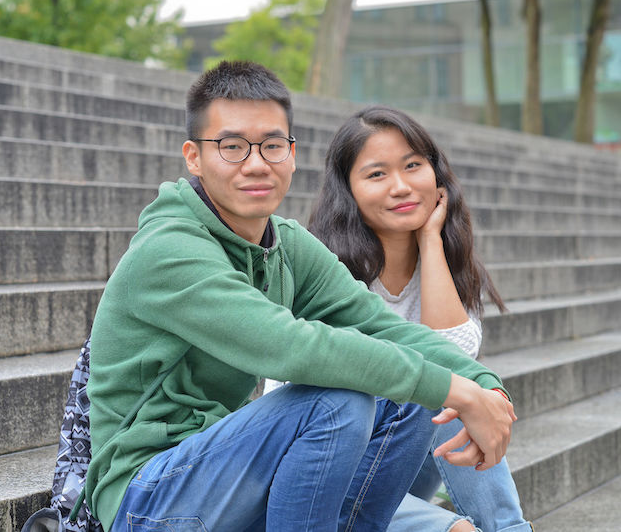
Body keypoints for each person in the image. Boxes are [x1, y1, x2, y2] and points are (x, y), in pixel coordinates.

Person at [84, 60, 515, 532]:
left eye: (272, 146)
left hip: (229, 470)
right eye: (231, 147)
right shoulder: (170, 249)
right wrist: (457, 392)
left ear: (291, 152)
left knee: (409, 395)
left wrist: (486, 387)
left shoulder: (285, 243)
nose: (256, 164)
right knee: (338, 400)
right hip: (148, 497)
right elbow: (287, 346)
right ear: (194, 156)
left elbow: (382, 325)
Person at [308, 105, 533, 532]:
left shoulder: (447, 264)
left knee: (454, 394)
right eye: (377, 174)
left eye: (413, 166)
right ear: (347, 191)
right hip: (326, 482)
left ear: (437, 175)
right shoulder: (325, 273)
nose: (401, 186)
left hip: (400, 473)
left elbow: (453, 361)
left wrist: (430, 241)